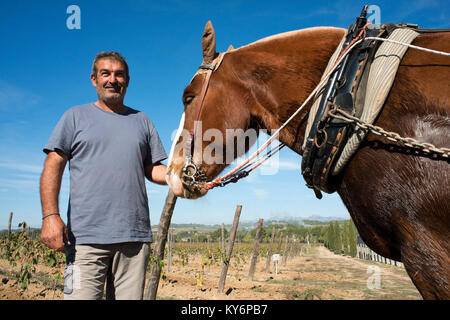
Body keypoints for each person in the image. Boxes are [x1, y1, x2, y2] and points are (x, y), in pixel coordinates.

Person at [39, 51, 168, 300]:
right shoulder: (74, 117)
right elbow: (53, 165)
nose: (113, 79)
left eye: (119, 74)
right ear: (94, 79)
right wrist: (50, 216)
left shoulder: (142, 121)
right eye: (105, 73)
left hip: (134, 241)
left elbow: (153, 169)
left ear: (127, 81)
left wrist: (180, 176)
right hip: (83, 242)